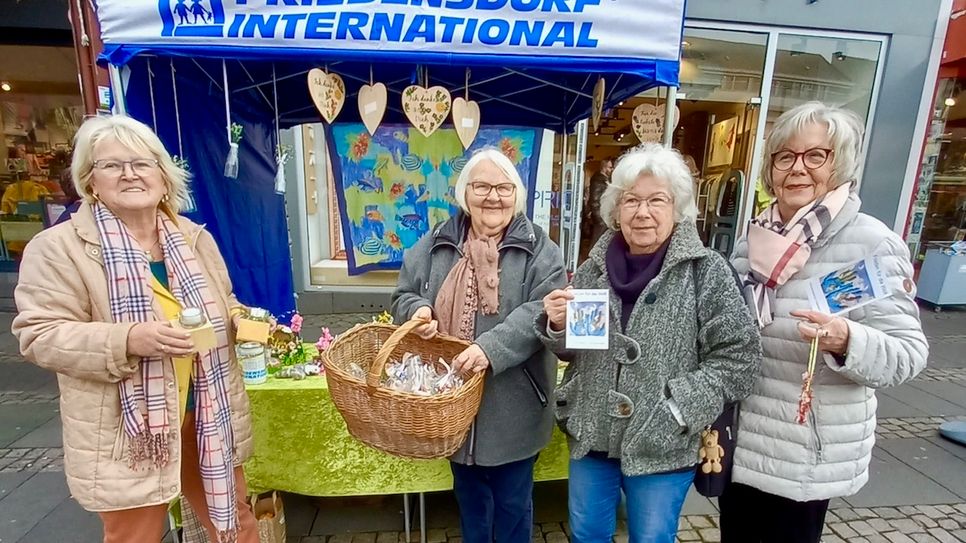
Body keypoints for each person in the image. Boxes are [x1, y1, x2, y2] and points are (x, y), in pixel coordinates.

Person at [11, 115, 258, 543]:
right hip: (132, 428)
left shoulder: (194, 239)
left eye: (142, 163)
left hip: (205, 415)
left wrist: (241, 319)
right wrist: (127, 340)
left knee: (235, 525)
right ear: (90, 182)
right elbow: (39, 335)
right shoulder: (58, 249)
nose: (129, 174)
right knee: (134, 536)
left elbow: (223, 302)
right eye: (111, 166)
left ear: (163, 177)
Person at [720, 102, 929, 543]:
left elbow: (908, 353)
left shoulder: (870, 242)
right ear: (770, 168)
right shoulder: (753, 238)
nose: (798, 169)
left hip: (802, 454)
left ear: (840, 166)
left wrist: (846, 339)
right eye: (785, 156)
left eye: (816, 156)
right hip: (742, 441)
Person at [538, 144, 761, 543]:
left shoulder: (705, 272)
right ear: (615, 209)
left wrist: (676, 409)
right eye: (631, 201)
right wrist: (558, 327)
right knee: (587, 534)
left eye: (656, 200)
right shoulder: (593, 267)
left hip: (663, 441)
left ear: (677, 207)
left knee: (652, 538)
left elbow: (739, 360)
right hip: (593, 435)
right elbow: (577, 350)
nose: (642, 212)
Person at [392, 148, 567, 543]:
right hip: (454, 407)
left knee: (512, 506)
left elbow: (541, 308)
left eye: (503, 187)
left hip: (515, 407)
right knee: (470, 504)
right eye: (482, 186)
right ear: (464, 194)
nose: (493, 197)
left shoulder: (540, 248)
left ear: (517, 195)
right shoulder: (438, 242)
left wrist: (489, 349)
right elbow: (402, 294)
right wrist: (418, 310)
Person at [581, 158, 614, 255]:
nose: (611, 169)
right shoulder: (598, 180)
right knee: (596, 241)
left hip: (602, 216)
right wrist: (600, 218)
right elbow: (594, 201)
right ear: (604, 168)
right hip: (601, 217)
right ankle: (591, 260)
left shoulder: (603, 179)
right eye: (610, 167)